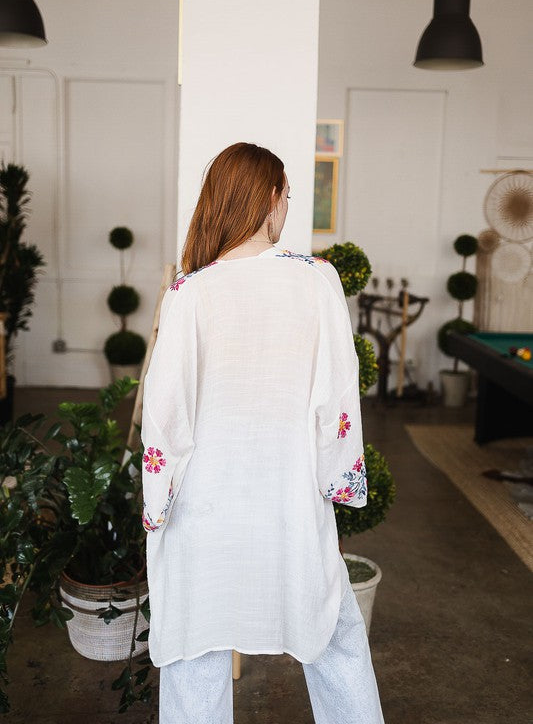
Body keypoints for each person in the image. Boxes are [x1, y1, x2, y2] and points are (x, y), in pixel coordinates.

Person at [141, 142, 385, 724]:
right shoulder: (317, 281)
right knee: (336, 638)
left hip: (204, 509)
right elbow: (337, 399)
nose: (286, 211)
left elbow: (164, 417)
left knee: (195, 651)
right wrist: (338, 483)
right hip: (289, 501)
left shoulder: (189, 291)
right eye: (288, 198)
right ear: (270, 198)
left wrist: (157, 508)